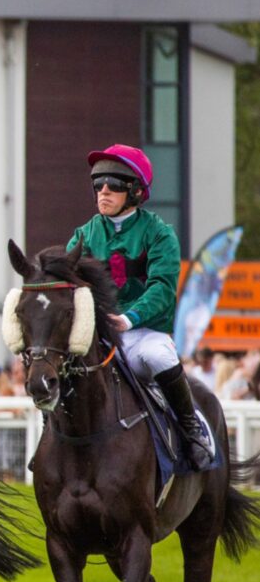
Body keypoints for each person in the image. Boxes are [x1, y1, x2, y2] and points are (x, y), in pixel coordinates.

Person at [68, 144, 214, 465]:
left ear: (134, 192)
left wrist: (129, 318)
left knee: (157, 356)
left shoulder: (160, 234)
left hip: (144, 332)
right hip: (101, 336)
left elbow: (162, 289)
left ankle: (191, 427)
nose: (103, 192)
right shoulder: (83, 236)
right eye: (98, 185)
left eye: (114, 186)